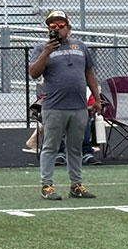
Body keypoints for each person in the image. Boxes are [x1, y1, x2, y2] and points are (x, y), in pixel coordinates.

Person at [29, 10, 102, 200]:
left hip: (78, 106)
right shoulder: (41, 48)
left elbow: (89, 73)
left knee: (75, 147)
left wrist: (97, 98)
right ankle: (46, 185)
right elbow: (34, 73)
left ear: (68, 27)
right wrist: (46, 52)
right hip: (54, 106)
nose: (57, 29)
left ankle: (76, 184)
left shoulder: (80, 46)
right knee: (50, 146)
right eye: (52, 26)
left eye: (60, 25)